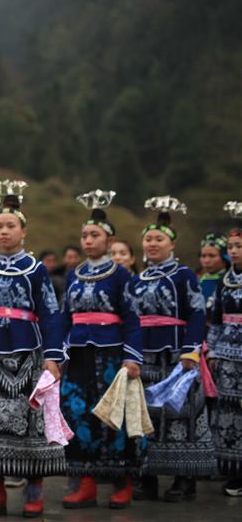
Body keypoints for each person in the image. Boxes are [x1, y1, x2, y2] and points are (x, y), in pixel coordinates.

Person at [0, 180, 65, 518]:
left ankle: (34, 493)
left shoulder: (36, 270)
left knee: (29, 424)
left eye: (10, 227)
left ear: (23, 231)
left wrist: (52, 356)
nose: (3, 232)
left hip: (28, 355)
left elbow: (50, 313)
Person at [127, 196, 216, 502]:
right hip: (145, 356)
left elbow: (197, 313)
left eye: (159, 239)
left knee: (180, 416)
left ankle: (184, 478)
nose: (152, 244)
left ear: (171, 244)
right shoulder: (136, 280)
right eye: (148, 239)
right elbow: (131, 319)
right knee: (146, 416)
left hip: (178, 357)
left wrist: (192, 350)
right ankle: (147, 476)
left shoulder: (184, 275)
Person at [59, 190, 142, 510]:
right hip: (78, 354)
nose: (88, 240)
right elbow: (64, 317)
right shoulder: (75, 276)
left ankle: (122, 483)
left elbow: (133, 319)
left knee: (113, 415)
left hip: (111, 355)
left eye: (95, 234)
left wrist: (131, 357)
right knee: (78, 412)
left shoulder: (121, 275)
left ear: (109, 239)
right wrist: (56, 354)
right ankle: (86, 484)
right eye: (84, 235)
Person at [206, 202, 242, 496]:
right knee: (228, 412)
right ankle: (232, 468)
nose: (234, 250)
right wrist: (214, 351)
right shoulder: (224, 282)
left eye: (239, 245)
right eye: (231, 246)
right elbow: (216, 320)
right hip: (228, 356)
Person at [198, 231, 229, 324]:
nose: (206, 260)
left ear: (224, 258)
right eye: (203, 256)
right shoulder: (198, 281)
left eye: (212, 256)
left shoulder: (229, 282)